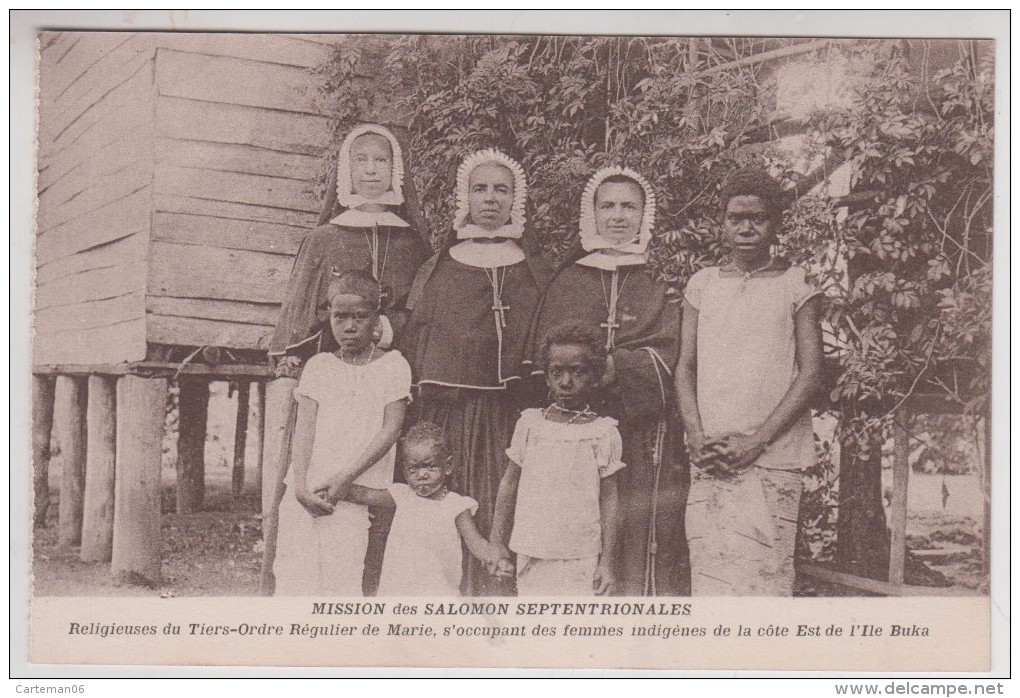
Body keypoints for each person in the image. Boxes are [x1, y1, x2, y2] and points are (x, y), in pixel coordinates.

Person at [266, 124, 429, 595]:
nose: (372, 169)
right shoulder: (324, 239)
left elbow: (422, 315)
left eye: (381, 161)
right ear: (347, 170)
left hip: (391, 383)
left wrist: (388, 331)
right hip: (332, 389)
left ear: (395, 170)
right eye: (362, 161)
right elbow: (301, 317)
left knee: (376, 507)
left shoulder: (413, 244)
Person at [527, 167, 688, 596]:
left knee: (638, 523)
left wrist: (623, 366)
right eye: (608, 205)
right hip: (577, 429)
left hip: (641, 430)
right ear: (591, 213)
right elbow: (545, 352)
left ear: (645, 215)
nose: (618, 216)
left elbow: (676, 352)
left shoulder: (660, 279)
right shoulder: (568, 279)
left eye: (629, 206)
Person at [401, 148, 544, 595]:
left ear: (515, 200)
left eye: (501, 189)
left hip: (509, 418)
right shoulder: (439, 269)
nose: (490, 198)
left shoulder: (534, 269)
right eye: (479, 188)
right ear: (464, 197)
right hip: (454, 417)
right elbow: (421, 337)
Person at [675, 169, 824, 596]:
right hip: (713, 454)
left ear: (775, 221)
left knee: (764, 576)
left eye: (757, 217)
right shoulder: (701, 285)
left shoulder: (797, 284)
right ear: (721, 222)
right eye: (735, 217)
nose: (746, 227)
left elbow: (811, 372)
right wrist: (697, 437)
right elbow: (685, 366)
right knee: (713, 574)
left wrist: (757, 441)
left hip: (771, 455)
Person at [272, 270, 411, 595]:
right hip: (306, 489)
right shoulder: (319, 366)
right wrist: (301, 487)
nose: (349, 327)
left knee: (342, 579)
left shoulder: (393, 366)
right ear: (329, 317)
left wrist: (345, 479)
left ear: (376, 318)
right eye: (340, 317)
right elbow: (303, 430)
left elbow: (391, 429)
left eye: (360, 317)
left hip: (349, 493)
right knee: (294, 575)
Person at [490, 322, 624, 596]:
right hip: (532, 548)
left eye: (577, 372)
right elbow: (508, 485)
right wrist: (496, 540)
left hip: (579, 554)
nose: (566, 382)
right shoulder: (530, 424)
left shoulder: (602, 432)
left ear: (596, 376)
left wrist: (607, 561)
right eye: (557, 372)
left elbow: (610, 500)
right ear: (547, 377)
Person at [338, 422, 510, 596]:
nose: (422, 475)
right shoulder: (402, 495)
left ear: (448, 466)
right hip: (398, 590)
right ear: (404, 472)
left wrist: (493, 560)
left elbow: (475, 541)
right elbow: (363, 495)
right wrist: (331, 488)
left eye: (430, 466)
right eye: (413, 469)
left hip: (438, 591)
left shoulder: (455, 505)